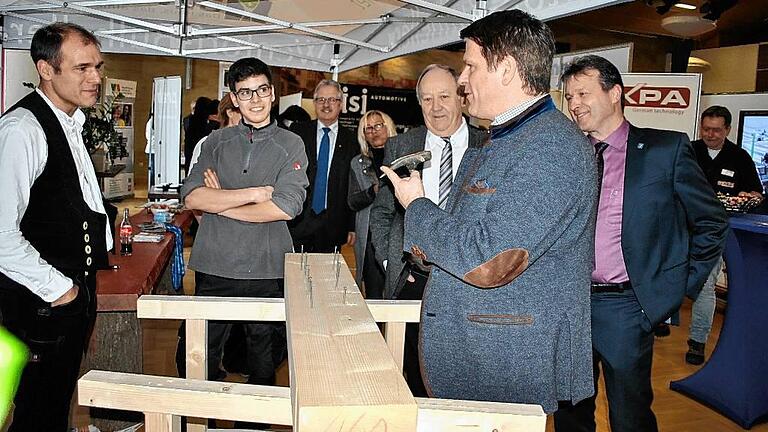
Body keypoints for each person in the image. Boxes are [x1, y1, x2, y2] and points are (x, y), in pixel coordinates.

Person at [380, 11, 597, 413]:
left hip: (504, 363)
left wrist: (417, 204)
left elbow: (489, 261)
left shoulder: (551, 149)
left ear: (508, 69)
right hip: (481, 356)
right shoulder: (506, 139)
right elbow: (469, 231)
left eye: (471, 66)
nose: (462, 80)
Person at [555, 55, 728, 432]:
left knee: (629, 416)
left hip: (626, 309)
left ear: (615, 93)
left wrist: (677, 288)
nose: (574, 104)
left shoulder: (665, 151)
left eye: (582, 93)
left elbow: (711, 222)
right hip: (568, 305)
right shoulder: (567, 155)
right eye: (569, 97)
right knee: (569, 414)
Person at [180, 57, 308, 429]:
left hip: (266, 269)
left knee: (263, 363)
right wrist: (253, 193)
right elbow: (192, 198)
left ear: (274, 92)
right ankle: (202, 421)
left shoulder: (291, 144)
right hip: (213, 264)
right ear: (233, 98)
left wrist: (223, 203)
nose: (255, 100)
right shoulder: (216, 142)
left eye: (262, 90)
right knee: (196, 356)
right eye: (245, 92)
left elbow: (285, 207)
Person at [0, 23, 113, 431]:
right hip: (39, 304)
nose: (96, 78)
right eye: (82, 68)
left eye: (98, 67)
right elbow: (0, 235)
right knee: (36, 413)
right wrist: (62, 291)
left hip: (64, 300)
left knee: (52, 406)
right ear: (46, 70)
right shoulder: (22, 130)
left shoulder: (69, 122)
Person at [370, 64, 485, 397]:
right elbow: (382, 213)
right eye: (427, 99)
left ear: (462, 98)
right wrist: (393, 262)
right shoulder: (401, 146)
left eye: (445, 96)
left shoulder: (489, 144)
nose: (436, 107)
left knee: (465, 376)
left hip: (470, 281)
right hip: (414, 280)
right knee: (415, 376)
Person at [685, 105, 763, 364]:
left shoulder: (739, 157)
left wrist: (751, 196)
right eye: (706, 129)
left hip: (718, 232)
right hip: (684, 226)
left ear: (727, 129)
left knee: (706, 284)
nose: (710, 134)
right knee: (669, 275)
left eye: (716, 130)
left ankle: (697, 342)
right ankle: (660, 321)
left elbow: (756, 193)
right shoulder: (688, 151)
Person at [289, 80, 357, 252]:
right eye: (321, 100)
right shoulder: (298, 133)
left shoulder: (352, 141)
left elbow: (353, 186)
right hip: (299, 220)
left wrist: (352, 225)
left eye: (332, 100)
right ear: (314, 103)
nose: (326, 105)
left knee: (327, 278)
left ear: (340, 104)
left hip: (333, 224)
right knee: (295, 275)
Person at [348, 110, 397, 299]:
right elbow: (352, 201)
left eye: (378, 126)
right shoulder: (357, 163)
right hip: (369, 237)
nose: (374, 131)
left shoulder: (402, 157)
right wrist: (372, 191)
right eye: (368, 128)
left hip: (397, 235)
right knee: (373, 295)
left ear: (388, 127)